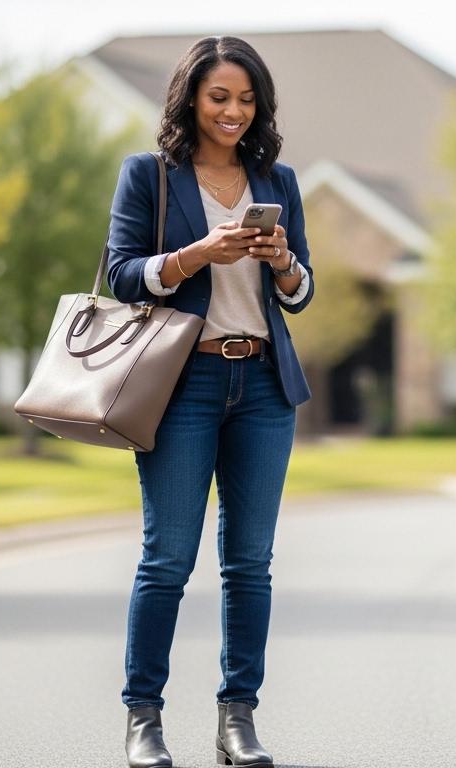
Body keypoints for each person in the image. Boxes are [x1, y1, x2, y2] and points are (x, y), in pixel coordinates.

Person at [105, 35, 314, 768]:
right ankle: (143, 719)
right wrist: (200, 254)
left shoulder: (278, 180)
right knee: (167, 559)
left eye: (247, 99)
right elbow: (123, 275)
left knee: (249, 563)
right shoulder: (149, 176)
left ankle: (237, 719)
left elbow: (303, 292)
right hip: (181, 385)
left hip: (261, 384)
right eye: (220, 96)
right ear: (191, 97)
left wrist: (282, 261)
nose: (233, 111)